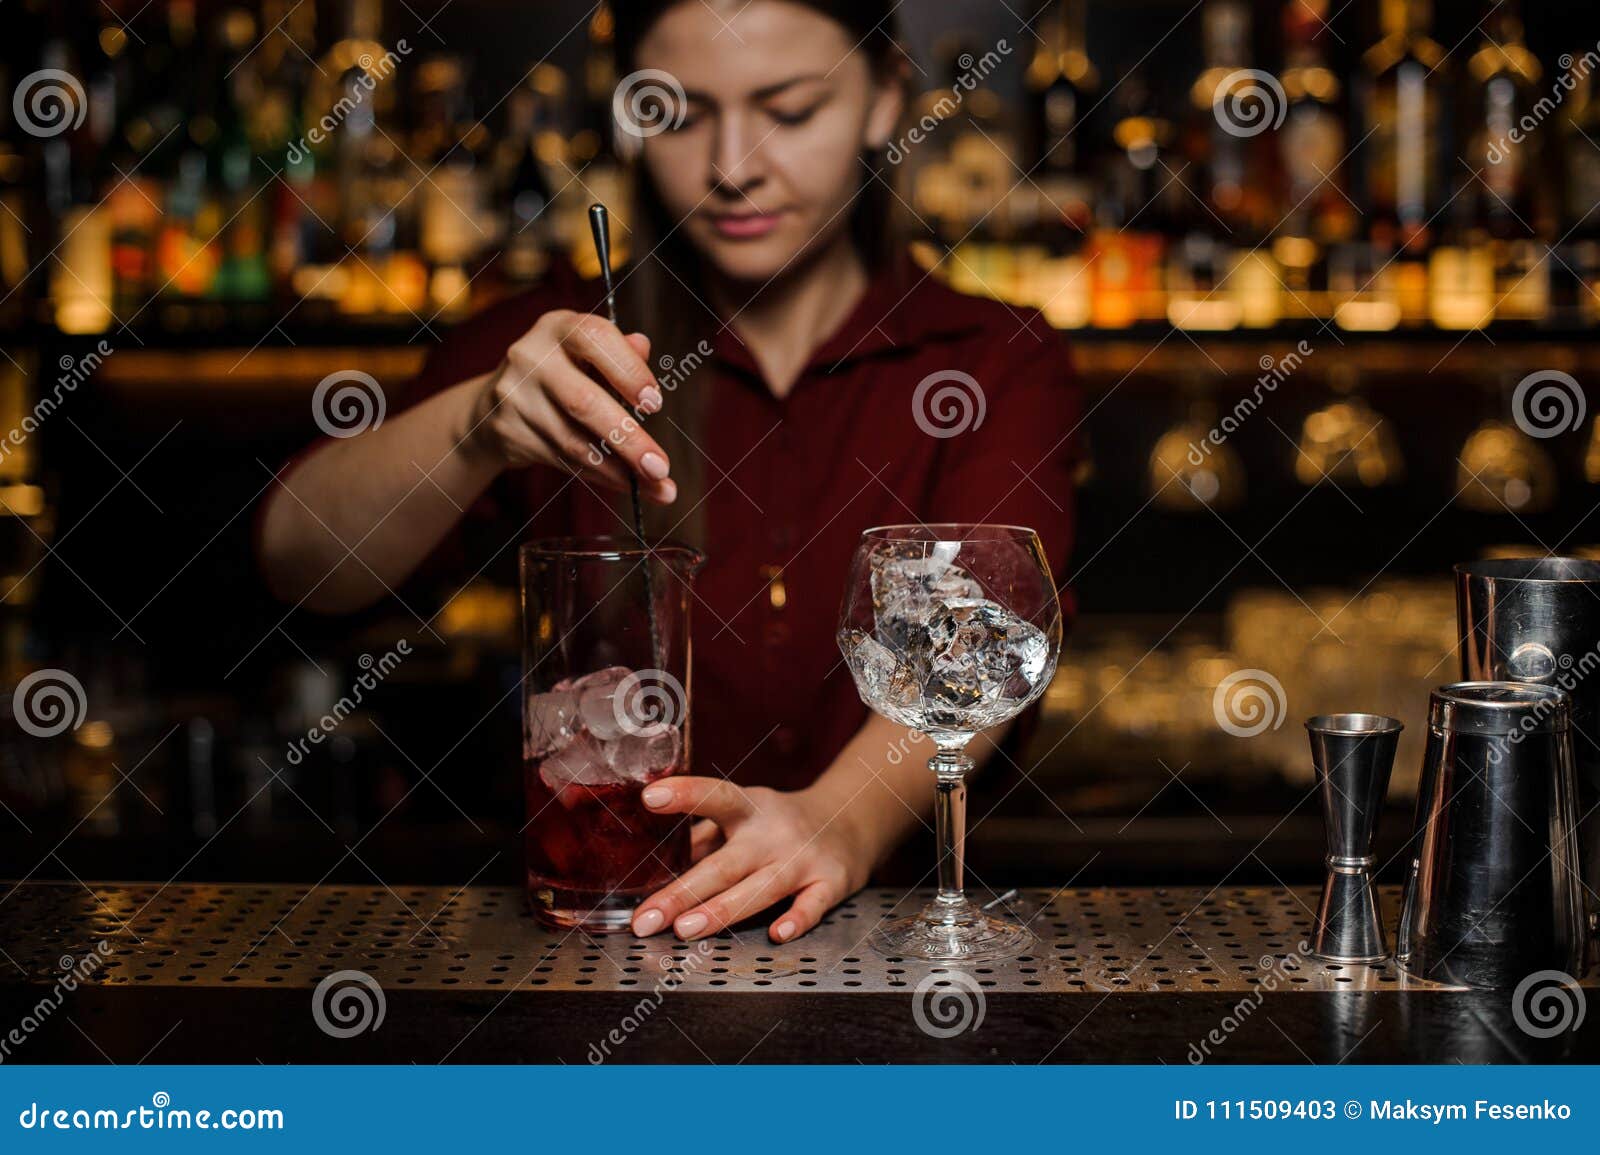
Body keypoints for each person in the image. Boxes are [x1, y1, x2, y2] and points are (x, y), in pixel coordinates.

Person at [257, 0, 1078, 946]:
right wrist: (476, 424)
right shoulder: (552, 341)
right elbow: (297, 565)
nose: (732, 169)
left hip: (896, 956)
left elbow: (990, 639)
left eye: (792, 108)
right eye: (680, 114)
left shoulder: (991, 359)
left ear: (886, 99)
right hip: (590, 949)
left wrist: (838, 821)